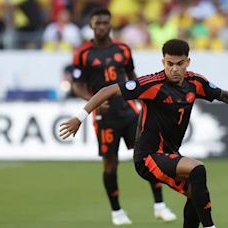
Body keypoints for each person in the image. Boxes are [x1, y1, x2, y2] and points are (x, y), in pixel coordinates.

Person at [60, 38, 228, 228]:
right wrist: (79, 118)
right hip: (148, 157)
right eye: (169, 64)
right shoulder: (152, 84)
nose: (174, 69)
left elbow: (223, 95)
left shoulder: (196, 83)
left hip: (169, 154)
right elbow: (108, 90)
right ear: (163, 62)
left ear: (187, 62)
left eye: (179, 64)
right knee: (198, 170)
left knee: (195, 195)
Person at [70, 8, 176, 225]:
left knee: (150, 154)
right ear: (91, 25)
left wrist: (144, 99)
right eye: (97, 23)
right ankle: (117, 212)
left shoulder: (123, 49)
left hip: (129, 112)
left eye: (105, 23)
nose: (101, 27)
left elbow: (132, 78)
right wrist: (93, 101)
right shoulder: (82, 53)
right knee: (110, 163)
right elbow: (77, 86)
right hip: (104, 117)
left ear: (110, 25)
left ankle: (160, 205)